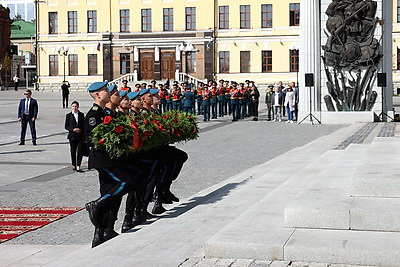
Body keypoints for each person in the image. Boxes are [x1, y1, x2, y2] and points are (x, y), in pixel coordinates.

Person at [64, 101, 85, 172]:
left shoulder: (81, 115)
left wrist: (80, 129)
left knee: (80, 151)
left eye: (76, 106)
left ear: (78, 107)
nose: (74, 108)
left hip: (80, 135)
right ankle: (74, 164)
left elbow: (84, 125)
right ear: (71, 107)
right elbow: (66, 126)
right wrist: (73, 129)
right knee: (73, 150)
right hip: (72, 136)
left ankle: (78, 165)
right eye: (73, 106)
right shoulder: (68, 116)